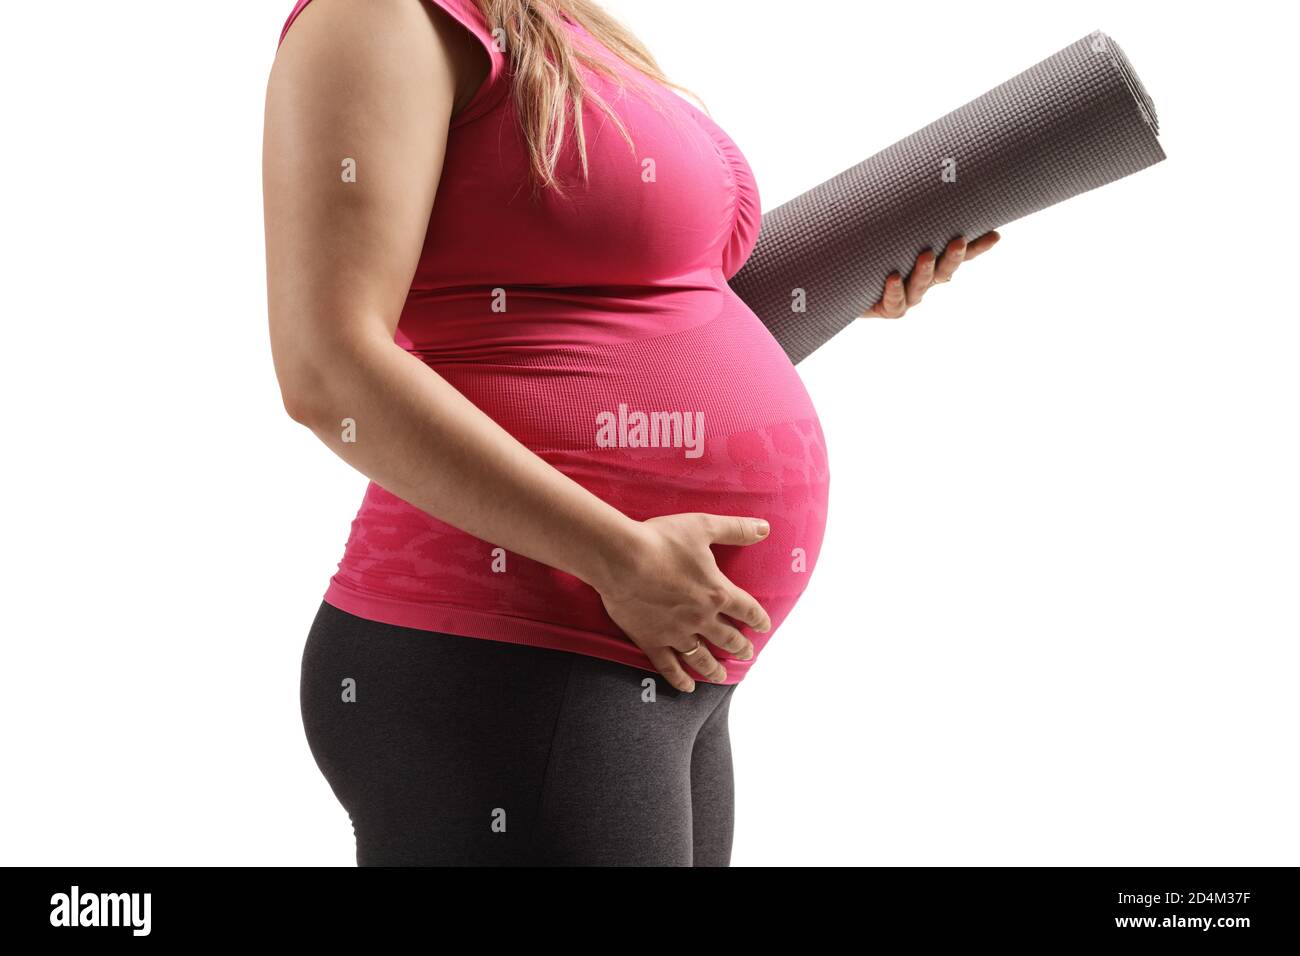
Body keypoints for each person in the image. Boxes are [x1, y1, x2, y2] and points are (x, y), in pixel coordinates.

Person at [263, 0, 998, 866]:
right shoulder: (378, 16)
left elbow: (632, 318)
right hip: (508, 650)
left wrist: (842, 283)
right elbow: (328, 369)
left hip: (656, 655)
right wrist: (617, 556)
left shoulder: (559, 22)